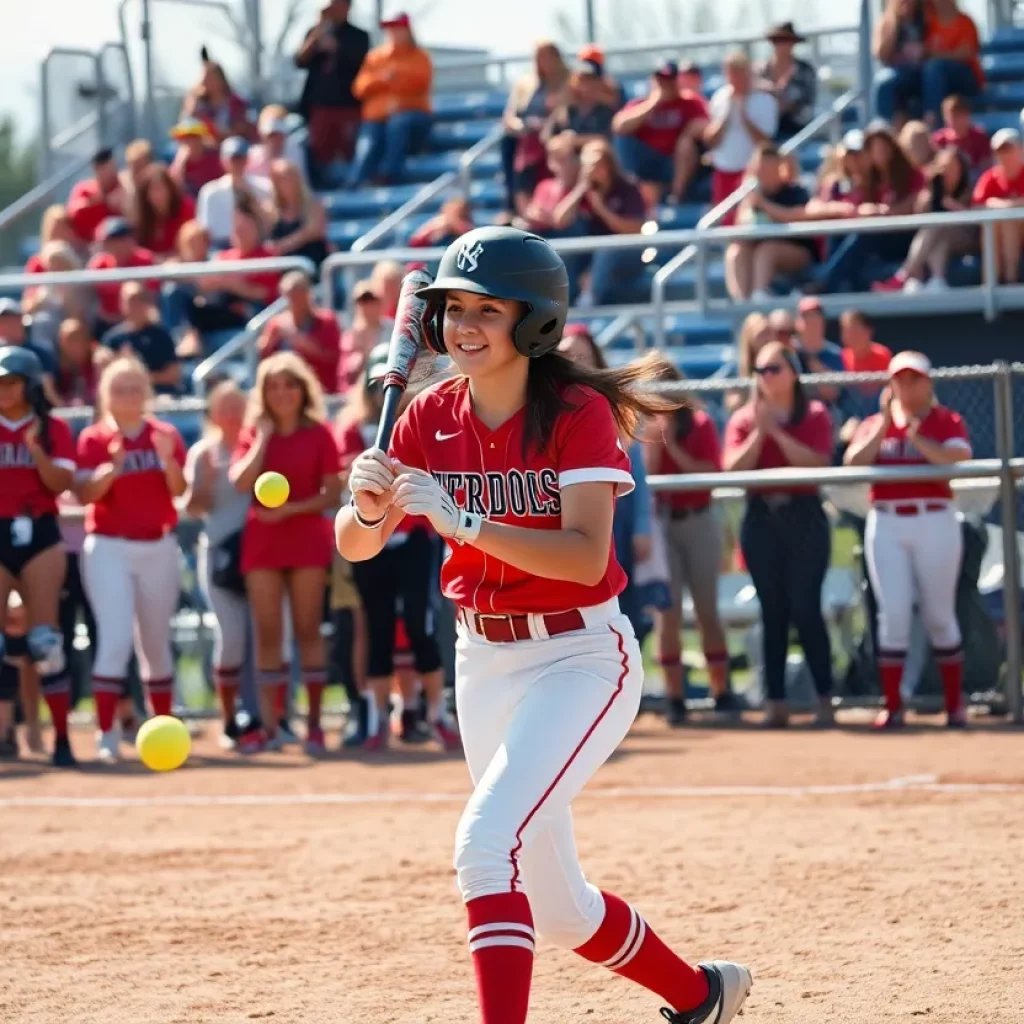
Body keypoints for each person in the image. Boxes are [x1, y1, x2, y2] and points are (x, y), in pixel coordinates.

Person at [335, 226, 752, 1024]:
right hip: (482, 661)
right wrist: (365, 505)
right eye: (454, 308)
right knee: (559, 911)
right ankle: (703, 996)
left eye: (487, 310)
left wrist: (464, 519)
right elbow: (356, 546)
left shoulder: (577, 410)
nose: (464, 325)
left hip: (581, 657)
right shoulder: (426, 416)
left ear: (534, 324)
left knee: (485, 847)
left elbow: (586, 560)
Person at [334, 345, 457, 752]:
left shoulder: (423, 422)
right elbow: (349, 478)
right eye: (377, 386)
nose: (385, 395)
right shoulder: (354, 429)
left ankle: (435, 711)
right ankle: (377, 716)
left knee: (420, 626)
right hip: (374, 541)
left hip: (415, 537)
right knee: (379, 628)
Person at [843, 351, 971, 729]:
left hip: (934, 519)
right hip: (887, 522)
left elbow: (957, 457)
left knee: (938, 615)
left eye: (914, 379)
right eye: (899, 379)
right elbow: (853, 461)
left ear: (928, 383)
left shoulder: (945, 420)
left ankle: (954, 705)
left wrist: (918, 436)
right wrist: (886, 424)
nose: (906, 386)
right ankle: (894, 704)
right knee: (894, 613)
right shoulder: (875, 423)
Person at [74, 357, 187, 763]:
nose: (128, 396)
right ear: (105, 395)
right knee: (115, 638)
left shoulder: (165, 434)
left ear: (146, 393)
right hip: (109, 546)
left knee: (156, 643)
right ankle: (106, 733)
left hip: (157, 545)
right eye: (119, 389)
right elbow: (86, 494)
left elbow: (178, 489)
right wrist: (113, 467)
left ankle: (165, 730)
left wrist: (167, 459)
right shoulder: (93, 437)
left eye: (135, 388)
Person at [229, 352, 342, 755]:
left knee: (309, 629)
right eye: (273, 386)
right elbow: (241, 481)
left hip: (306, 538)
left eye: (289, 384)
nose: (281, 393)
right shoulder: (253, 433)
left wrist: (289, 510)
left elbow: (332, 492)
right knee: (268, 632)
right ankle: (271, 725)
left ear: (302, 389)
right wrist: (261, 438)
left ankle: (313, 724)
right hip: (264, 542)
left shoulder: (320, 433)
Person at [722, 342, 835, 728]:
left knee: (806, 608)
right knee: (772, 613)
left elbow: (819, 462)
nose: (765, 377)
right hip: (762, 518)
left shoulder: (815, 413)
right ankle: (776, 703)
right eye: (760, 370)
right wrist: (759, 433)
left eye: (774, 369)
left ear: (793, 373)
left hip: (804, 517)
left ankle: (824, 698)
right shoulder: (743, 418)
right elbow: (732, 468)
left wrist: (778, 436)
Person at [641, 358, 733, 723]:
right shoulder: (645, 428)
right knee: (669, 614)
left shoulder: (700, 422)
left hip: (698, 520)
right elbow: (644, 475)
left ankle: (721, 691)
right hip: (664, 523)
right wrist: (652, 438)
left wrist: (672, 445)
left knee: (708, 610)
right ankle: (674, 697)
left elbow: (710, 473)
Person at [0, 347, 77, 766]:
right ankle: (4, 732)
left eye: (11, 382)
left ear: (28, 385)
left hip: (40, 529)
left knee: (45, 641)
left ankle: (61, 736)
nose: (3, 391)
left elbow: (61, 483)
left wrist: (36, 452)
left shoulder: (51, 429)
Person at [184, 380, 252, 748]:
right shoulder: (203, 452)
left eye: (237, 406)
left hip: (259, 553)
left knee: (269, 637)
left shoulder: (255, 446)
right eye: (223, 408)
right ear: (212, 413)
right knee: (231, 638)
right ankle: (228, 719)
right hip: (219, 553)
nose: (231, 415)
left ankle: (267, 716)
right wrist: (205, 482)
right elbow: (192, 509)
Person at [552, 138, 647, 305]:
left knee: (606, 251)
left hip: (625, 253)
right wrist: (581, 188)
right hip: (591, 254)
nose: (593, 170)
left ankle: (590, 301)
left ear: (608, 164)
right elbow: (560, 219)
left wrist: (600, 208)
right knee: (562, 252)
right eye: (587, 165)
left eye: (596, 164)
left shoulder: (627, 188)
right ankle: (558, 304)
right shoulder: (584, 189)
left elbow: (634, 229)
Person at [872, 145, 975, 292]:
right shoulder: (934, 187)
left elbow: (972, 217)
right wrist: (927, 198)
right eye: (945, 167)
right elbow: (921, 214)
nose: (949, 171)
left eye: (953, 167)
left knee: (938, 224)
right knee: (939, 233)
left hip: (965, 235)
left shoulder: (967, 188)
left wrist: (951, 206)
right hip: (941, 235)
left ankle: (904, 275)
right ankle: (937, 280)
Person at [348, 12, 433, 187]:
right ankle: (355, 182)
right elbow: (359, 88)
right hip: (377, 119)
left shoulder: (420, 56)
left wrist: (395, 79)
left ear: (408, 30)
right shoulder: (375, 57)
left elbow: (420, 84)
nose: (394, 32)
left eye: (398, 28)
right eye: (391, 28)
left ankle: (390, 175)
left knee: (398, 124)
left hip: (411, 117)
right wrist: (383, 80)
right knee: (367, 141)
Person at [612, 60, 709, 208]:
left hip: (677, 164)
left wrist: (692, 130)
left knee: (686, 145)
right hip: (647, 165)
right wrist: (654, 103)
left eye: (669, 80)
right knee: (624, 140)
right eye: (661, 80)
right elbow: (619, 126)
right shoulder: (640, 103)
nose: (665, 84)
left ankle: (676, 197)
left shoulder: (690, 102)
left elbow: (708, 128)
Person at [725, 143, 815, 301]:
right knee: (737, 249)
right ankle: (741, 301)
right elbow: (742, 225)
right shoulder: (753, 196)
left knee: (768, 250)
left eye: (767, 169)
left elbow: (794, 216)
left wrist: (763, 205)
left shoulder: (796, 191)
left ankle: (760, 296)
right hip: (760, 247)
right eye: (759, 169)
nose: (762, 174)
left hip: (798, 252)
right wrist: (749, 203)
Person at [295, 0, 370, 176]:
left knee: (348, 151)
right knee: (320, 153)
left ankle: (350, 190)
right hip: (319, 105)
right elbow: (299, 61)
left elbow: (360, 62)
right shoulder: (315, 33)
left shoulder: (358, 35)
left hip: (347, 105)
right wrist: (317, 34)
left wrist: (335, 46)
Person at [704, 52, 778, 224]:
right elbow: (710, 139)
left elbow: (765, 142)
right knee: (725, 222)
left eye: (740, 72)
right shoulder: (720, 98)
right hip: (723, 170)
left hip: (752, 173)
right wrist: (728, 113)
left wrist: (745, 116)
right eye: (731, 73)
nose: (735, 78)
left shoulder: (764, 100)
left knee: (746, 222)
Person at [501, 41, 573, 214]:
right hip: (527, 134)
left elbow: (565, 113)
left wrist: (547, 125)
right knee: (509, 142)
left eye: (548, 55)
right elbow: (510, 116)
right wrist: (521, 127)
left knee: (542, 144)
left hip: (555, 131)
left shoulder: (569, 81)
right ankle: (516, 203)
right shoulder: (526, 83)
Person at [259, 271, 340, 395]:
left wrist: (299, 340)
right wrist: (266, 344)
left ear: (308, 294)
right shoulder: (276, 324)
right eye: (290, 294)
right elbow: (265, 356)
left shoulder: (326, 320)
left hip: (322, 390)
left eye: (299, 292)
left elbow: (332, 356)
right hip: (285, 392)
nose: (294, 299)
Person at [101, 283, 181, 396]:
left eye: (140, 300)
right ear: (121, 304)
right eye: (130, 300)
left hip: (160, 396)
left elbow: (173, 375)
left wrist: (138, 379)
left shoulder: (161, 336)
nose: (135, 305)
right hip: (123, 399)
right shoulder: (112, 339)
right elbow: (105, 375)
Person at [196, 136, 272, 248]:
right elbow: (204, 228)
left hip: (255, 245)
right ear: (223, 161)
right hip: (220, 247)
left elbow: (269, 224)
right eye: (232, 159)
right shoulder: (210, 191)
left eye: (240, 158)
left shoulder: (264, 187)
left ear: (247, 159)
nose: (236, 163)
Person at [972, 128, 1024, 284]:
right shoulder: (989, 177)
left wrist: (1008, 206)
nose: (1005, 155)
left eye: (1009, 149)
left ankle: (1009, 280)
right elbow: (977, 207)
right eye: (1001, 150)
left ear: (1020, 149)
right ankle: (993, 283)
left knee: (1007, 219)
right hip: (998, 233)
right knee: (997, 222)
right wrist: (1003, 206)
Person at [265, 159, 329, 269]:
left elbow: (315, 231)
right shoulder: (269, 210)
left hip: (313, 265)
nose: (287, 182)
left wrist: (284, 245)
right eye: (281, 178)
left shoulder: (313, 205)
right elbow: (269, 246)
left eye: (290, 176)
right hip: (282, 270)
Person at [757, 22, 818, 138]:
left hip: (797, 132)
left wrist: (781, 100)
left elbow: (807, 103)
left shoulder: (804, 70)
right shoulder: (761, 71)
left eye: (784, 39)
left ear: (793, 42)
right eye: (776, 40)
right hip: (764, 133)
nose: (780, 44)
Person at [873, 0, 929, 125]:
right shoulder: (887, 22)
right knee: (884, 82)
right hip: (899, 74)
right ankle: (886, 129)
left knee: (933, 75)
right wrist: (893, 24)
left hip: (924, 72)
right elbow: (881, 54)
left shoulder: (927, 18)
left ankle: (933, 122)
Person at [180, 52, 253, 143]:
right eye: (204, 79)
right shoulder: (198, 104)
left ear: (220, 80)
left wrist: (218, 135)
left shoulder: (236, 103)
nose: (205, 82)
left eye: (209, 78)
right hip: (203, 149)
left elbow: (241, 129)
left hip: (229, 148)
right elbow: (187, 125)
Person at [133, 163, 197, 259]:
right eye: (153, 190)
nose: (159, 195)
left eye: (161, 188)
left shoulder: (186, 207)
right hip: (151, 266)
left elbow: (194, 244)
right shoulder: (141, 216)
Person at [66, 148, 129, 246]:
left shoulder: (124, 186)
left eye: (111, 167)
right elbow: (72, 212)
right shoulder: (85, 189)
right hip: (88, 245)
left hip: (120, 244)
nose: (108, 172)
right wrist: (101, 201)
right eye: (103, 168)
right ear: (95, 169)